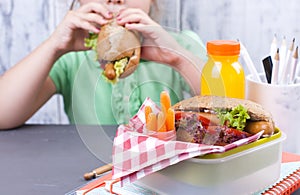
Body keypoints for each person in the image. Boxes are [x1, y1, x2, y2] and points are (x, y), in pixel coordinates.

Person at [0, 0, 206, 129]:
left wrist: (178, 58)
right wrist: (55, 46)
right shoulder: (70, 57)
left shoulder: (179, 45)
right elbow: (3, 115)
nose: (115, 0)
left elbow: (233, 108)